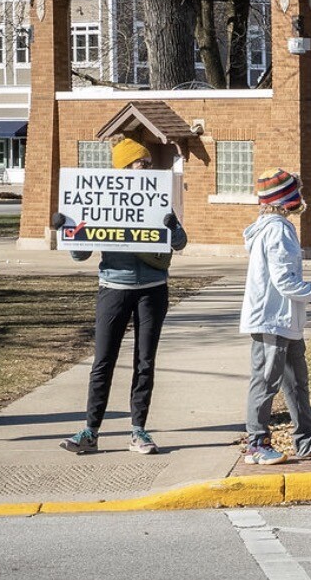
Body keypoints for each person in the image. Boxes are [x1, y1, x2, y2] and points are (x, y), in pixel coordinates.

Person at [57, 136, 187, 455]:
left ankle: (138, 431)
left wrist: (172, 226)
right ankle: (90, 431)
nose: (146, 168)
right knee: (103, 361)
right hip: (113, 288)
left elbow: (180, 242)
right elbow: (80, 255)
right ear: (124, 168)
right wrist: (66, 229)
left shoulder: (157, 200)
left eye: (148, 163)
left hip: (152, 290)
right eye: (141, 163)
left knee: (145, 362)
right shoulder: (102, 201)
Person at [239, 168, 311, 465]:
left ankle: (307, 440)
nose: (301, 196)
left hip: (284, 320)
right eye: (296, 191)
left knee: (296, 381)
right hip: (272, 319)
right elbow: (285, 281)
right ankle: (256, 443)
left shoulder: (271, 228)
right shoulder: (278, 230)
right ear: (285, 199)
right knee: (265, 382)